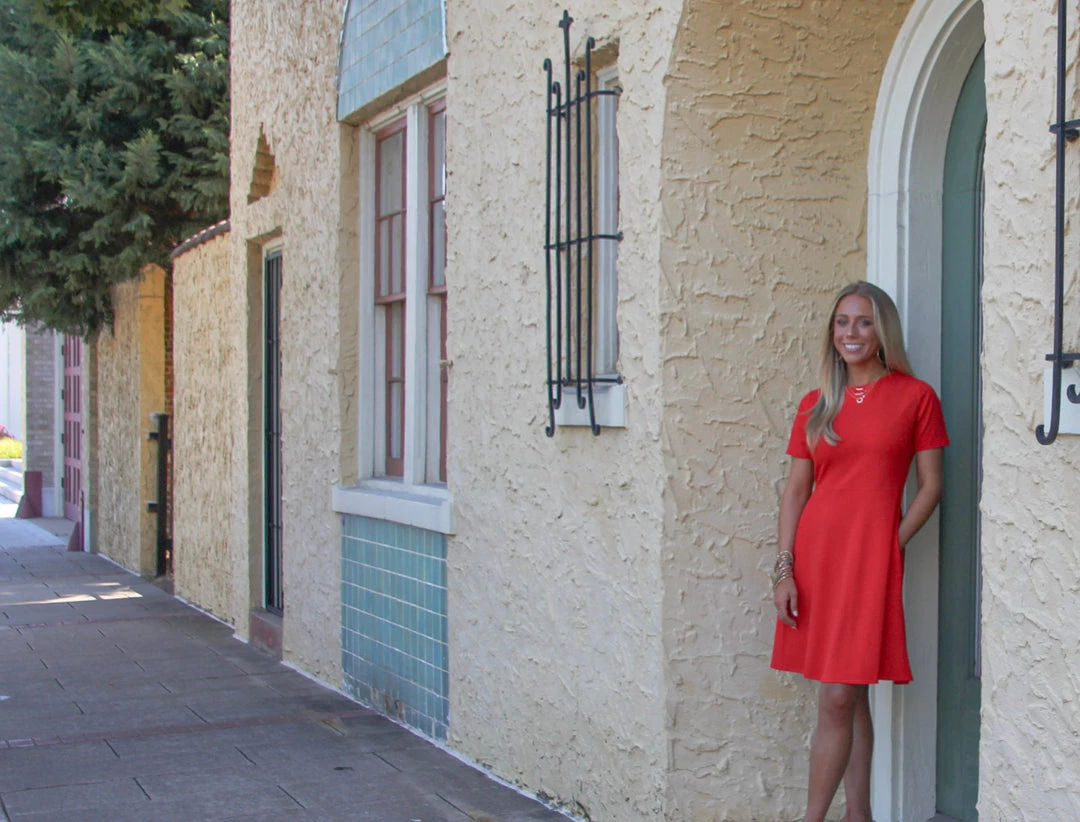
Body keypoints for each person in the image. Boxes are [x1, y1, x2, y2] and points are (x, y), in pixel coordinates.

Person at [770, 281, 948, 822]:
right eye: (843, 322)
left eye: (864, 321)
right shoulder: (815, 404)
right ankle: (860, 815)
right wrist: (784, 568)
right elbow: (797, 490)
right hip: (818, 557)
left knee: (839, 697)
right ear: (832, 332)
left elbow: (931, 487)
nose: (852, 332)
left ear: (882, 331)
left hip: (868, 561)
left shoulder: (916, 397)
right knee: (849, 695)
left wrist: (888, 546)